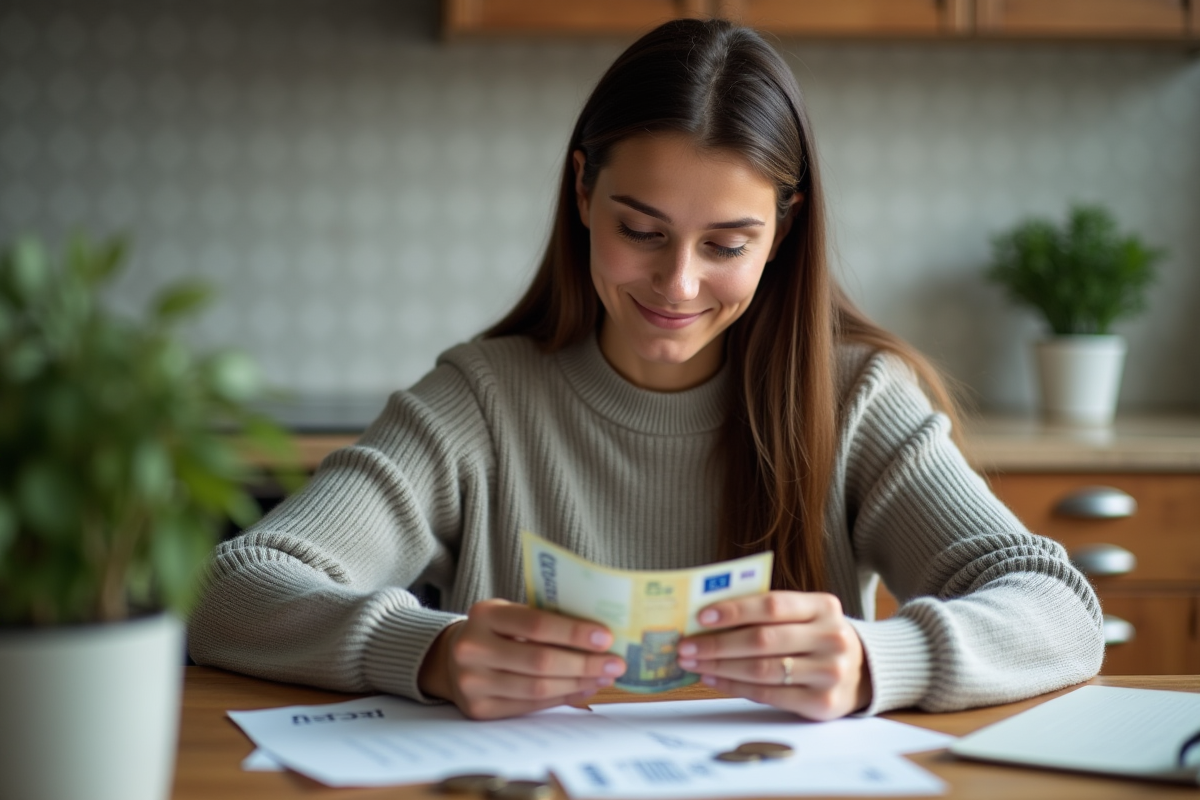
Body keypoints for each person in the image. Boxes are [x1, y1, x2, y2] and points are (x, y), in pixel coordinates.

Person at [187, 18, 1103, 722]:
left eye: (728, 244)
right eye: (642, 231)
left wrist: (875, 660)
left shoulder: (856, 399)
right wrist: (424, 650)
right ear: (582, 191)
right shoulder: (480, 400)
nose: (678, 283)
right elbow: (231, 586)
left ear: (781, 233)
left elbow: (1061, 609)